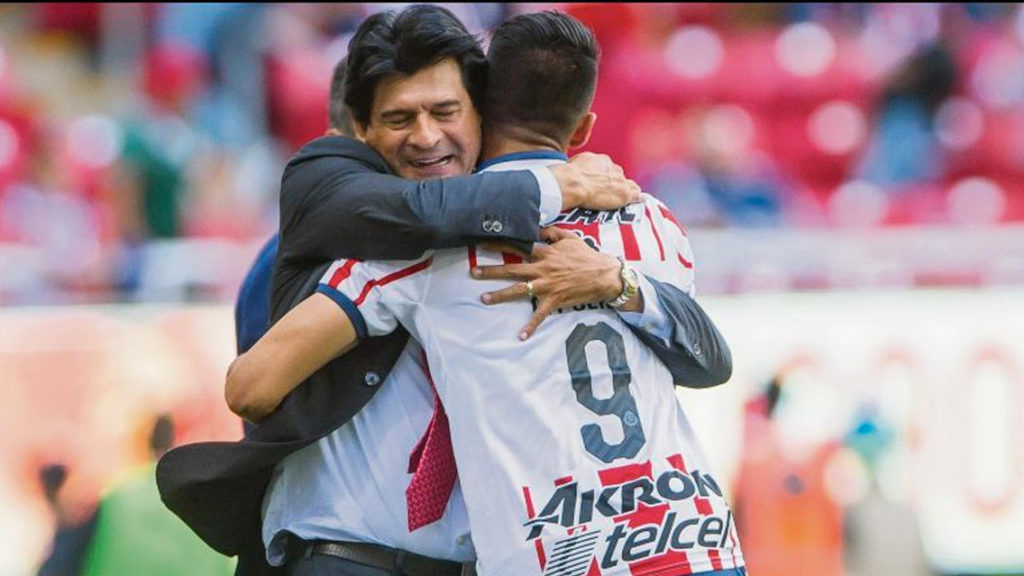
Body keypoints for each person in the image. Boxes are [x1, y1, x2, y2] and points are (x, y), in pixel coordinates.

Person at [161, 5, 730, 576]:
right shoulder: (341, 210)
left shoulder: (501, 240)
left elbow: (710, 358)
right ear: (359, 132)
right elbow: (252, 388)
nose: (427, 136)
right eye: (400, 118)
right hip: (340, 557)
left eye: (445, 111)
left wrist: (615, 278)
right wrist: (542, 189)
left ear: (482, 114)